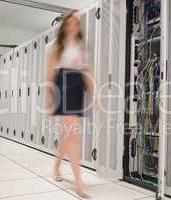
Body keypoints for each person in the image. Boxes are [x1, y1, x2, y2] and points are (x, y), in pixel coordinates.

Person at [43, 11, 97, 199]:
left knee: (68, 135)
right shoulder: (55, 47)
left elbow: (87, 72)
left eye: (77, 22)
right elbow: (49, 76)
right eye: (71, 22)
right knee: (73, 135)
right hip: (62, 86)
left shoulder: (82, 47)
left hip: (76, 87)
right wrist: (49, 100)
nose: (74, 25)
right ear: (65, 25)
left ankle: (57, 165)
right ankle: (79, 182)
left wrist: (94, 93)